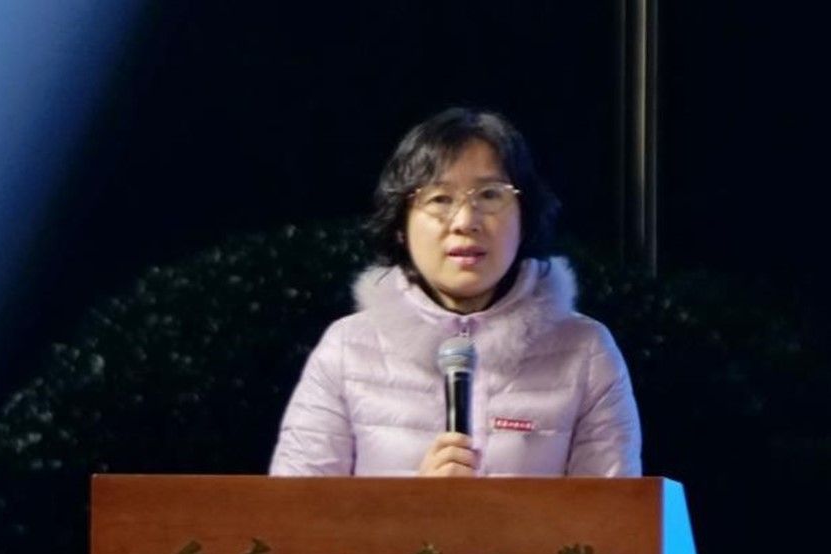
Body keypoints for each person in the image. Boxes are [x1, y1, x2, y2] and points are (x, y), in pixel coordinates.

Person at [269, 108, 642, 478]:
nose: (465, 222)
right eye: (440, 199)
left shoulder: (585, 350)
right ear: (400, 224)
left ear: (525, 217)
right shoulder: (347, 350)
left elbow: (613, 511)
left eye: (490, 195)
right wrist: (416, 503)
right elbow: (293, 510)